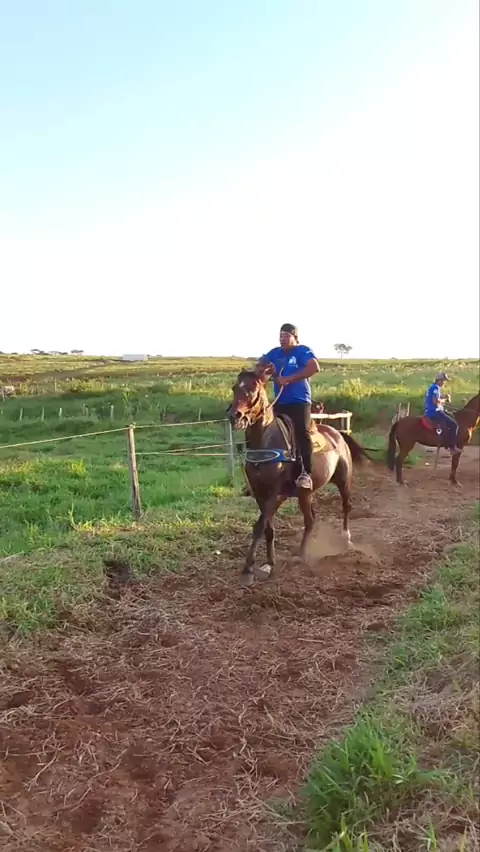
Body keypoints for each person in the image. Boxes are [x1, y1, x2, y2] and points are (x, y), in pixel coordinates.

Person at [255, 323, 320, 489]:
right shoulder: (274, 353)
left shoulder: (302, 351)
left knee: (302, 433)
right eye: (280, 336)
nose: (282, 339)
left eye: (286, 336)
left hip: (299, 401)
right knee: (268, 434)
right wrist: (263, 369)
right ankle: (262, 473)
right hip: (279, 402)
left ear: (295, 337)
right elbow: (260, 365)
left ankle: (306, 473)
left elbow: (314, 367)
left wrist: (289, 378)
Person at [424, 371, 461, 454]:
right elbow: (435, 401)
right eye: (444, 381)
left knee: (451, 419)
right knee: (454, 425)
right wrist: (445, 400)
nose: (444, 383)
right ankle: (452, 447)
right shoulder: (435, 388)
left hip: (435, 410)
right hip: (434, 412)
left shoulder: (434, 388)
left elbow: (437, 399)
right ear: (439, 380)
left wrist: (444, 398)